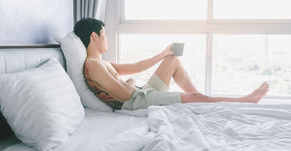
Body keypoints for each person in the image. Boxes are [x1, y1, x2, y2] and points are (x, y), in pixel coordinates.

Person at [74, 18, 269, 111]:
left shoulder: (102, 63)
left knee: (172, 60)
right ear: (94, 36)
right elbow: (126, 94)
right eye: (104, 34)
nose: (106, 40)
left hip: (141, 92)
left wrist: (162, 54)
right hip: (136, 101)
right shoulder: (94, 66)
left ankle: (200, 100)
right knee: (195, 96)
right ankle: (245, 100)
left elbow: (135, 66)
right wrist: (131, 82)